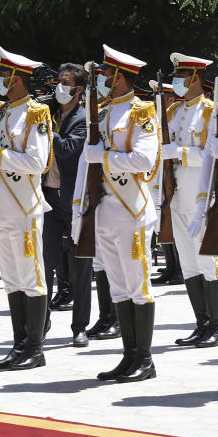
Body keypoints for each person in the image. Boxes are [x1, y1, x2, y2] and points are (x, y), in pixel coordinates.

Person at [74, 45, 159, 382]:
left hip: (131, 211)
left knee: (138, 286)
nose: (102, 79)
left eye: (106, 74)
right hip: (106, 211)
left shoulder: (142, 112)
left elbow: (144, 161)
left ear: (120, 76)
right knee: (119, 289)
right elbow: (86, 164)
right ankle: (128, 356)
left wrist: (104, 159)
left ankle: (145, 359)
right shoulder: (105, 111)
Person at [0, 47, 52, 371]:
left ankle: (35, 347)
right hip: (1, 206)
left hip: (24, 208)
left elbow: (38, 163)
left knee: (31, 278)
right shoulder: (1, 113)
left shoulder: (36, 113)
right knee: (11, 279)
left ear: (17, 79)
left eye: (2, 75)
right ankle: (19, 344)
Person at [161, 54, 218, 348]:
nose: (175, 82)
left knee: (209, 262)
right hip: (178, 196)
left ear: (194, 77)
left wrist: (180, 153)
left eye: (180, 76)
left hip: (202, 196)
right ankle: (202, 323)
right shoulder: (172, 113)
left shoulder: (211, 111)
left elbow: (213, 156)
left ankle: (216, 325)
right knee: (188, 262)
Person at [41, 64, 90, 346]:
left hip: (73, 199)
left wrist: (45, 126)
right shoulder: (51, 113)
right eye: (58, 81)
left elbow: (68, 149)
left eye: (66, 82)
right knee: (44, 264)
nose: (59, 86)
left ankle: (79, 326)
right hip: (48, 197)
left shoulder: (83, 119)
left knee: (79, 264)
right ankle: (41, 321)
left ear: (78, 89)